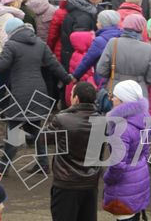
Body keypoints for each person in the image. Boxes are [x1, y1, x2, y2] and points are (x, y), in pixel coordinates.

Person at [0, 18, 71, 171]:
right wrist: (68, 79)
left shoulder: (12, 45)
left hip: (21, 93)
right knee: (34, 128)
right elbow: (54, 64)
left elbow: (1, 65)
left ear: (11, 32)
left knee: (15, 127)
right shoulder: (40, 44)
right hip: (39, 91)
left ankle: (4, 164)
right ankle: (43, 163)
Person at [47, 81, 100, 221]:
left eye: (71, 94)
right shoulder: (102, 120)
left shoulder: (62, 119)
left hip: (66, 182)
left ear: (76, 98)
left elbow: (45, 139)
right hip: (90, 181)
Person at [101, 80, 150, 220]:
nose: (111, 99)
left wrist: (108, 179)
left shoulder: (121, 128)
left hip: (124, 187)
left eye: (114, 96)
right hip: (139, 178)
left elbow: (117, 165)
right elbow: (145, 150)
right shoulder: (144, 116)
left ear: (123, 101)